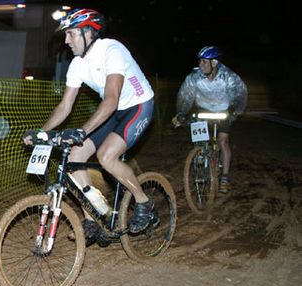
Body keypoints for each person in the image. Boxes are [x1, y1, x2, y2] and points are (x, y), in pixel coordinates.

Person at [23, 8, 155, 243]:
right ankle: (92, 219)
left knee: (106, 156)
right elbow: (65, 107)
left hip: (137, 105)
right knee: (73, 159)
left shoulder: (112, 50)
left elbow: (112, 99)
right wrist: (42, 132)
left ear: (88, 33)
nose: (66, 40)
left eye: (71, 34)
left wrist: (83, 130)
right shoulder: (77, 64)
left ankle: (143, 203)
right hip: (111, 110)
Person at [172, 46, 247, 193]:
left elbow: (240, 93)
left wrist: (235, 109)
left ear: (214, 63)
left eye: (204, 62)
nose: (201, 64)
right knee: (199, 139)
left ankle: (225, 176)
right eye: (200, 61)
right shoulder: (194, 77)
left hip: (225, 110)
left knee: (222, 141)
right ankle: (200, 153)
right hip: (204, 109)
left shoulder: (228, 76)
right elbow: (185, 96)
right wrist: (181, 113)